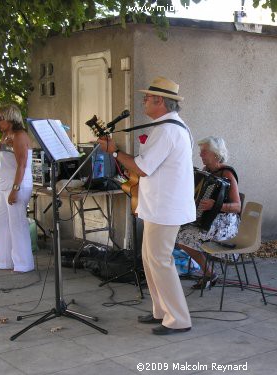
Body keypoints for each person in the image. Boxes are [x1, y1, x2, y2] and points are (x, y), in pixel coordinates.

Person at [98, 76, 195, 335]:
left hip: (166, 207)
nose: (143, 101)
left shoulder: (166, 130)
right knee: (150, 259)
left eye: (147, 98)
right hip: (160, 205)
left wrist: (115, 152)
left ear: (160, 101)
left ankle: (178, 318)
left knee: (160, 260)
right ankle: (162, 312)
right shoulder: (169, 127)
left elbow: (141, 167)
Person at [176, 136, 241, 289]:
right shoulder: (206, 172)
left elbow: (237, 206)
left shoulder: (227, 174)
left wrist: (216, 206)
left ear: (216, 154)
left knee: (182, 237)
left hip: (225, 225)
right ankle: (209, 273)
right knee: (180, 232)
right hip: (210, 220)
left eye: (204, 152)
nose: (200, 155)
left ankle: (208, 274)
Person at [0, 103, 34, 273]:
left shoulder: (19, 135)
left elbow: (21, 165)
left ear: (11, 118)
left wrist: (15, 189)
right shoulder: (5, 136)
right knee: (0, 223)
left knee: (17, 224)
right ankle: (4, 261)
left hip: (17, 185)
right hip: (3, 185)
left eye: (1, 118)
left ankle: (23, 264)